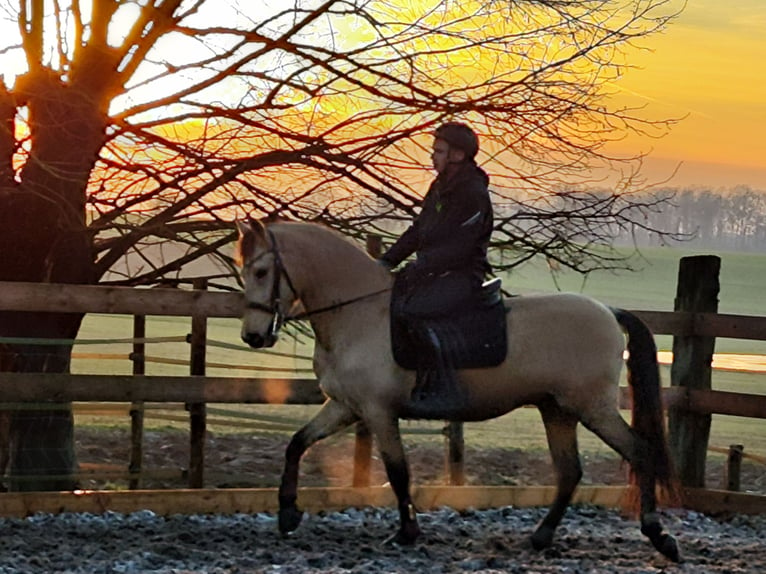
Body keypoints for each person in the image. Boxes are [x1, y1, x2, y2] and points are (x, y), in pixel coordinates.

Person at [380, 122, 494, 405]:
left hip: (463, 275)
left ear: (457, 155)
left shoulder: (473, 194)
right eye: (434, 151)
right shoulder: (439, 187)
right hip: (435, 272)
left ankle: (441, 382)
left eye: (439, 151)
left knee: (416, 310)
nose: (432, 157)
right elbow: (419, 230)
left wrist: (423, 265)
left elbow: (462, 246)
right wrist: (385, 262)